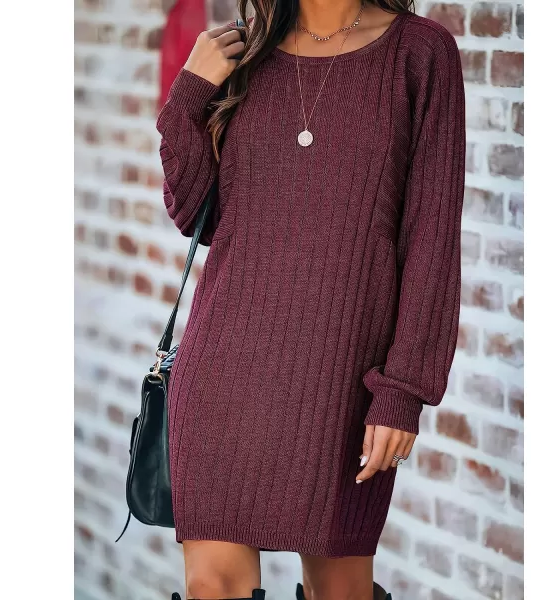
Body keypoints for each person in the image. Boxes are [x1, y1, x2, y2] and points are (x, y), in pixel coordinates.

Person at [157, 1, 465, 598]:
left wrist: (402, 392)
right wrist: (189, 96)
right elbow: (197, 213)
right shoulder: (245, 53)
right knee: (212, 586)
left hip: (342, 386)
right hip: (222, 375)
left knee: (340, 590)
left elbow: (431, 238)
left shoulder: (421, 54)